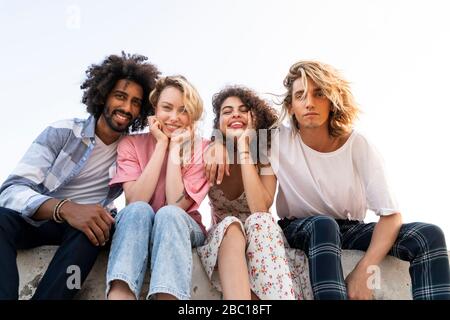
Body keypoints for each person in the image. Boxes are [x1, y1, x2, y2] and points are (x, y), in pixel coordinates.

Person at [270, 60, 450, 300]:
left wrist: (365, 269)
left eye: (319, 93)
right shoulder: (276, 138)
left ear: (332, 102)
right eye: (300, 95)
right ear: (291, 107)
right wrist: (218, 143)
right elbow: (232, 131)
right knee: (324, 225)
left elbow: (391, 215)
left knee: (428, 235)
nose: (309, 102)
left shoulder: (357, 145)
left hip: (349, 228)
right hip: (299, 228)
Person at [0, 52, 160, 299]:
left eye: (136, 102)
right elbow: (11, 191)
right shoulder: (63, 131)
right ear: (103, 94)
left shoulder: (133, 149)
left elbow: (181, 142)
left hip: (82, 229)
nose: (127, 108)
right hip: (36, 220)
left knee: (96, 227)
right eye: (120, 96)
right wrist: (64, 208)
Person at [198, 86, 313, 300]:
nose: (235, 114)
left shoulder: (265, 157)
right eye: (227, 111)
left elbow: (260, 208)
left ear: (255, 118)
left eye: (243, 109)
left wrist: (244, 149)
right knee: (231, 225)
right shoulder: (209, 152)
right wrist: (214, 147)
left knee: (260, 221)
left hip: (263, 243)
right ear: (218, 124)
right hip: (225, 240)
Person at [106, 75, 209, 300]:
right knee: (136, 211)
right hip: (138, 223)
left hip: (183, 225)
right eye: (167, 108)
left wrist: (175, 150)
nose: (174, 117)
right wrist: (162, 143)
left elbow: (176, 204)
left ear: (193, 116)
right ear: (155, 109)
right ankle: (120, 295)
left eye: (183, 110)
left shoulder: (204, 149)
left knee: (169, 214)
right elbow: (136, 200)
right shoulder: (131, 144)